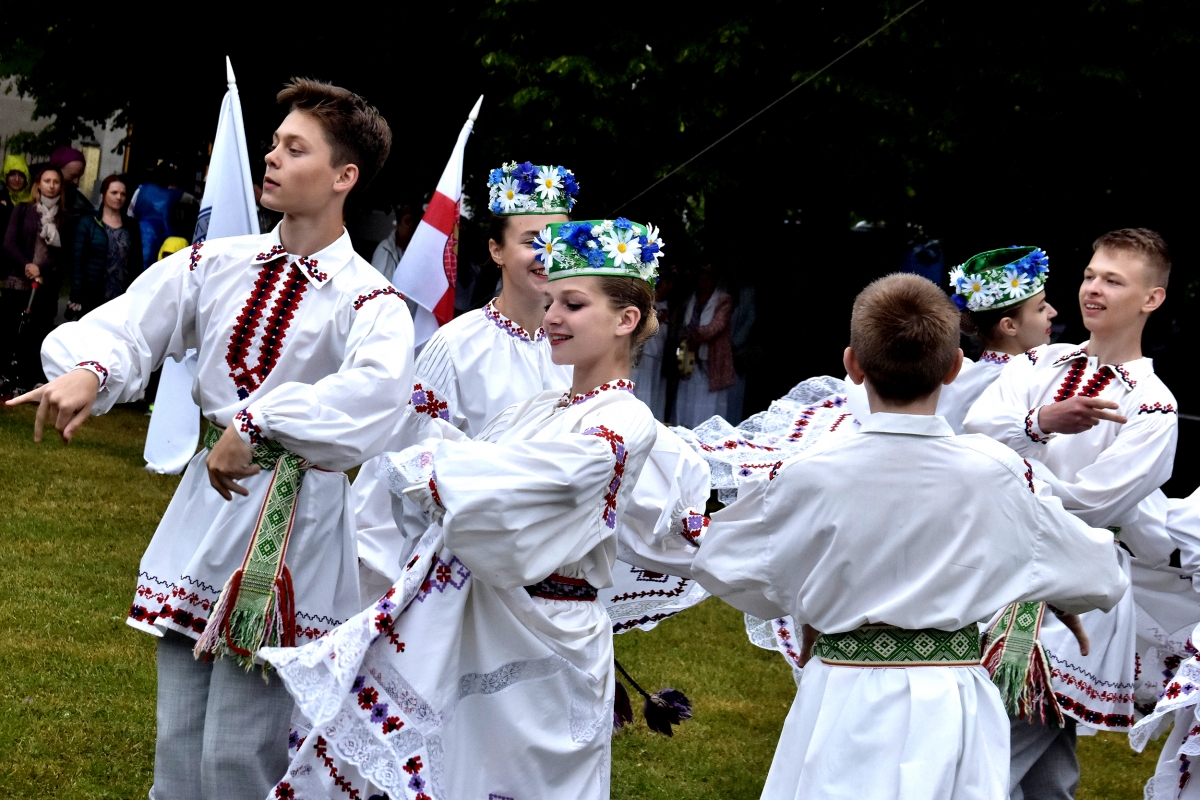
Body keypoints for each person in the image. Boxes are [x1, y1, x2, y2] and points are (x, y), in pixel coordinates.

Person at [7, 79, 413, 800]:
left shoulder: (370, 301)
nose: (272, 157)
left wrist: (257, 424)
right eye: (273, 143)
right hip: (208, 515)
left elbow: (373, 401)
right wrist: (91, 371)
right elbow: (133, 324)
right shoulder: (217, 263)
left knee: (237, 753)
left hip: (294, 531)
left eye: (296, 148)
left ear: (344, 177)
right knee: (179, 741)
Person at [263, 218, 680, 800]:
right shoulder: (543, 405)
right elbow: (476, 463)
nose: (552, 315)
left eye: (573, 304)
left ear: (625, 320)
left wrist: (438, 473)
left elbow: (541, 482)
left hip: (547, 639)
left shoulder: (623, 420)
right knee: (457, 774)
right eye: (553, 300)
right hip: (488, 622)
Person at [692, 272, 1128, 800]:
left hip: (842, 695)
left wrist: (806, 599)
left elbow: (726, 563)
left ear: (852, 364)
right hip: (951, 701)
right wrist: (1036, 581)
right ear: (953, 368)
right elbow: (1099, 576)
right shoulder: (995, 472)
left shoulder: (813, 472)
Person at [964, 228, 1178, 798]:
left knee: (993, 753)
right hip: (1004, 572)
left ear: (1150, 300)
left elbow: (1096, 501)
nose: (1093, 289)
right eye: (1089, 275)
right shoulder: (1040, 361)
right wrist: (1039, 425)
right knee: (1045, 765)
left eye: (1114, 280)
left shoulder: (1152, 405)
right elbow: (973, 432)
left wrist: (1010, 469)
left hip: (1071, 591)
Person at [2, 165, 69, 391]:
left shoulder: (65, 218)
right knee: (11, 328)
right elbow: (9, 243)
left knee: (38, 333)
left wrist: (41, 269)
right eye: (47, 181)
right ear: (38, 185)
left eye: (56, 182)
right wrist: (27, 266)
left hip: (45, 284)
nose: (52, 185)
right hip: (18, 280)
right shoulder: (23, 210)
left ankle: (29, 379)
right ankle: (6, 375)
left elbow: (62, 253)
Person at [69, 174, 143, 316]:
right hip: (92, 295)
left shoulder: (132, 226)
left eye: (122, 194)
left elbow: (136, 263)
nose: (118, 197)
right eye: (114, 193)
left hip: (121, 296)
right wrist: (76, 294)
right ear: (103, 194)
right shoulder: (88, 223)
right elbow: (78, 261)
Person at [673, 264, 735, 427]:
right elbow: (680, 325)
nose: (704, 282)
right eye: (701, 278)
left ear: (714, 281)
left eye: (708, 279)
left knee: (707, 401)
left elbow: (717, 325)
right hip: (688, 356)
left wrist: (695, 336)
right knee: (686, 396)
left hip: (711, 358)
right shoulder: (690, 300)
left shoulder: (724, 301)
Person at [369, 202, 418, 284]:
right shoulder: (385, 248)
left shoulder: (419, 251)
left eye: (415, 222)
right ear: (398, 224)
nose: (412, 226)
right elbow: (375, 283)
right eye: (407, 221)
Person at [1, 153, 32, 239]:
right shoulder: (2, 198)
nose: (17, 179)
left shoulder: (33, 201)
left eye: (21, 175)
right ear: (5, 176)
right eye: (12, 175)